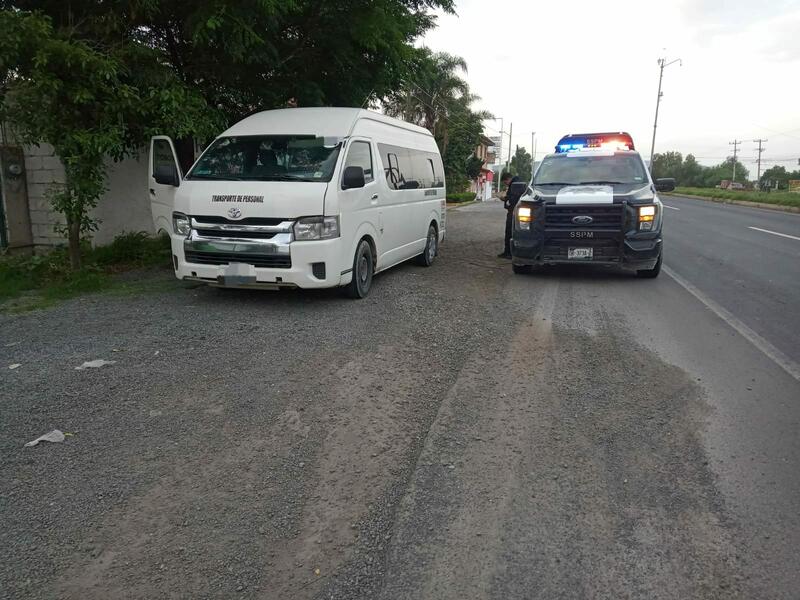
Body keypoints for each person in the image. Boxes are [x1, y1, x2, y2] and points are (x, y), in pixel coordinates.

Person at [498, 173, 523, 258]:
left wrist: (505, 198)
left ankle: (508, 252)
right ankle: (508, 251)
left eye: (505, 182)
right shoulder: (516, 183)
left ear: (508, 179)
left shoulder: (515, 185)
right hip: (514, 211)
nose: (506, 184)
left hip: (513, 212)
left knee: (509, 232)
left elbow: (513, 199)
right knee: (510, 232)